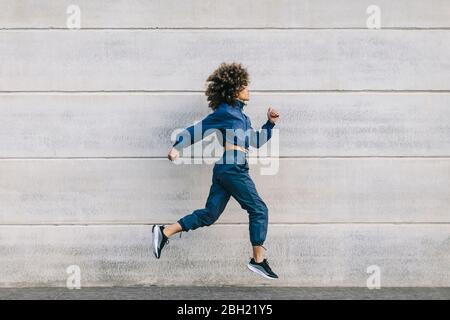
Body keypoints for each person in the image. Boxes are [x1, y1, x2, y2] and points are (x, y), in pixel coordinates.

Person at [152, 62, 280, 279]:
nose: (249, 89)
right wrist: (177, 147)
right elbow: (198, 129)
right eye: (245, 85)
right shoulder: (225, 111)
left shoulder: (242, 117)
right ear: (234, 88)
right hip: (232, 168)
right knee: (259, 209)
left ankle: (164, 232)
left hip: (228, 169)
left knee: (210, 214)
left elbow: (256, 141)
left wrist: (269, 124)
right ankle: (258, 260)